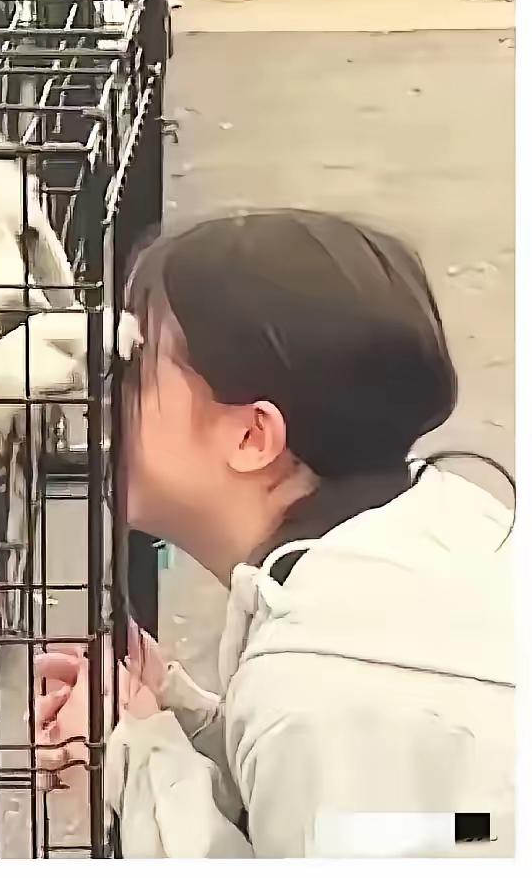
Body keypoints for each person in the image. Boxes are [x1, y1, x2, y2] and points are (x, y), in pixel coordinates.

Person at [33, 210, 514, 858]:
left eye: (133, 370)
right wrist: (176, 721)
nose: (99, 391)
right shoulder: (433, 530)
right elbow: (430, 832)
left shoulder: (324, 690)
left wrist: (139, 762)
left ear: (252, 437)